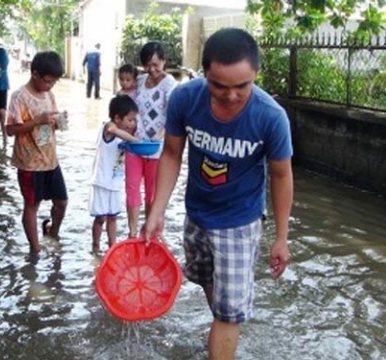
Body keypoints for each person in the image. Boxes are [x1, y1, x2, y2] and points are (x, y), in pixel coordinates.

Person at [142, 28, 294, 359]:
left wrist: (281, 237)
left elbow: (281, 175)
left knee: (227, 314)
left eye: (242, 86)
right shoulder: (184, 99)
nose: (231, 96)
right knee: (207, 284)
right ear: (204, 72)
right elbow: (171, 154)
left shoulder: (271, 117)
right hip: (196, 213)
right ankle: (225, 331)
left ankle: (225, 331)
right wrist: (156, 212)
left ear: (256, 74)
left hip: (240, 221)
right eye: (219, 85)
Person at [6, 51, 68, 254]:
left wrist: (58, 121)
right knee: (32, 204)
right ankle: (35, 249)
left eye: (54, 82)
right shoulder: (19, 97)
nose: (50, 86)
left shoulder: (49, 94)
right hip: (29, 163)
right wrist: (36, 121)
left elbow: (50, 120)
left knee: (62, 202)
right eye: (48, 81)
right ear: (35, 74)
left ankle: (52, 232)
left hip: (50, 159)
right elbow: (10, 130)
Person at [125, 41, 177, 238]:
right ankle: (132, 234)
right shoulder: (139, 81)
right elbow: (124, 103)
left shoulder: (170, 85)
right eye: (147, 65)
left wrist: (159, 135)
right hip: (134, 144)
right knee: (131, 190)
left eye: (156, 64)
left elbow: (174, 116)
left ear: (164, 61)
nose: (152, 69)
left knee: (152, 194)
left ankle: (150, 231)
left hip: (157, 148)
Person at [89, 95, 139, 252]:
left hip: (115, 183)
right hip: (102, 181)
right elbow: (112, 130)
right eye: (130, 120)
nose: (132, 124)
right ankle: (96, 246)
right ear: (117, 118)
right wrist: (135, 140)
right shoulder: (109, 127)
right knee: (100, 218)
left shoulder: (123, 133)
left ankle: (112, 247)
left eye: (134, 120)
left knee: (113, 217)